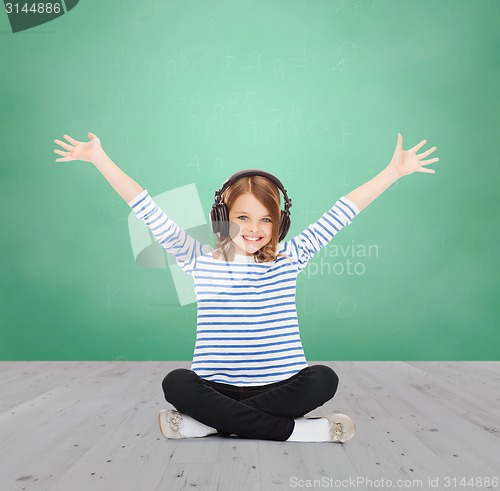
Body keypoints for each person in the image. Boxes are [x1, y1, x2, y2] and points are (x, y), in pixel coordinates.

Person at [53, 132, 438, 443]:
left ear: (279, 225)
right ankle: (299, 432)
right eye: (242, 217)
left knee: (324, 378)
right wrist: (100, 158)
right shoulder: (196, 257)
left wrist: (393, 172)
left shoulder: (293, 256)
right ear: (221, 217)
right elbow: (145, 207)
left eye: (265, 220)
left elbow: (342, 213)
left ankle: (206, 426)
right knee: (175, 382)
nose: (253, 229)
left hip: (280, 387)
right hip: (213, 389)